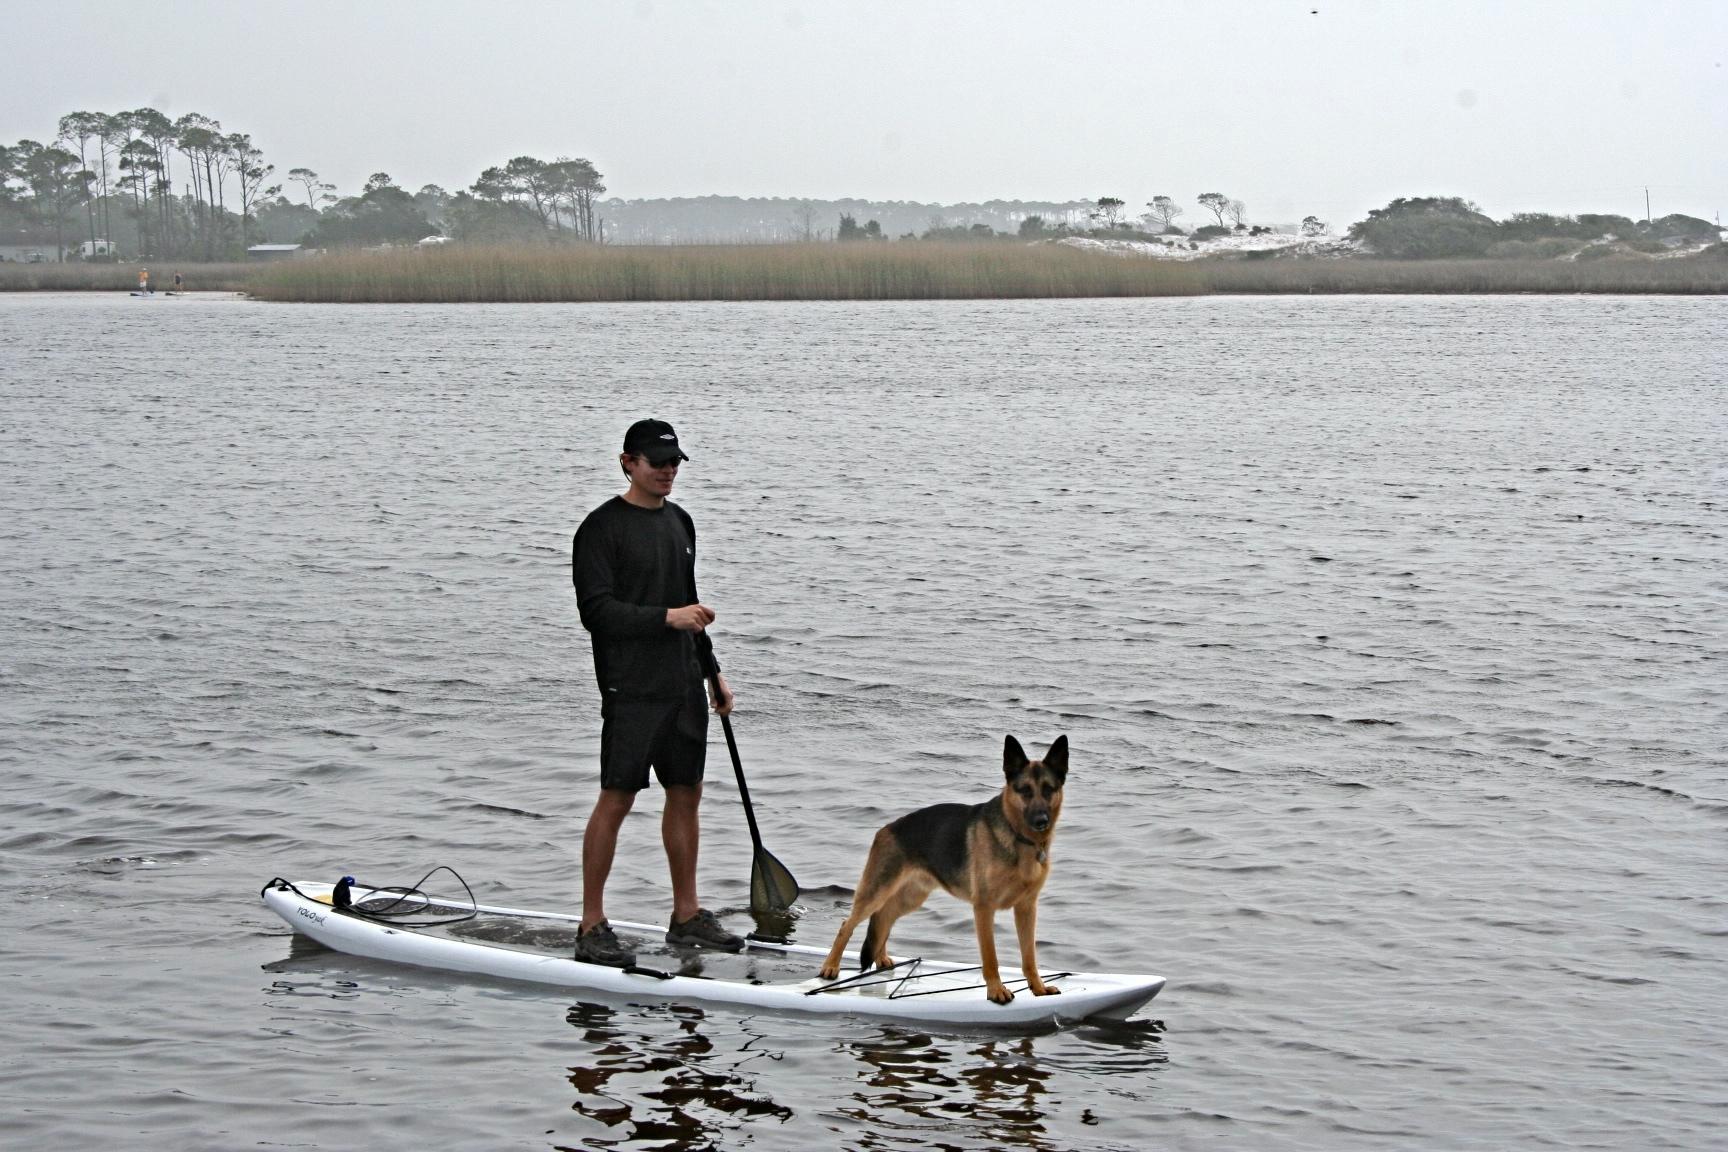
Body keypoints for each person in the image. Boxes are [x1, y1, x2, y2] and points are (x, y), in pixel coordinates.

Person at [570, 418, 742, 966]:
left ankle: (686, 916)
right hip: (631, 686)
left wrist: (712, 671)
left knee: (687, 793)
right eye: (656, 463)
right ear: (628, 462)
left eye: (674, 463)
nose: (667, 472)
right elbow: (595, 613)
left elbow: (688, 604)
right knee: (617, 798)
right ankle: (591, 924)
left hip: (683, 685)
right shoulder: (601, 528)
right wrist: (667, 618)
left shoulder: (680, 522)